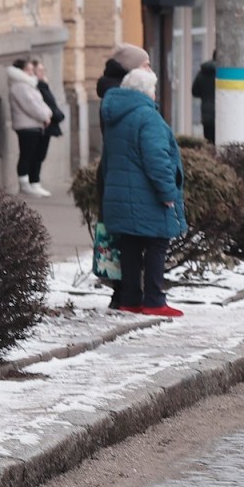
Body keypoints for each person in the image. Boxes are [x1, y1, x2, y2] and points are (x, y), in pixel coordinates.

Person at [99, 67, 187, 318]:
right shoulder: (147, 117)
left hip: (119, 193)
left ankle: (130, 298)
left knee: (130, 244)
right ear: (147, 91)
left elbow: (108, 159)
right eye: (154, 89)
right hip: (146, 195)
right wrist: (168, 192)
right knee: (157, 242)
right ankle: (154, 300)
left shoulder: (114, 115)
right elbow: (157, 159)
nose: (155, 93)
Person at [7, 58, 54, 196]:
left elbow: (40, 103)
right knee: (27, 155)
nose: (31, 73)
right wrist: (45, 116)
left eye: (32, 70)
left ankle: (33, 183)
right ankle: (24, 183)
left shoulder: (28, 85)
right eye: (28, 70)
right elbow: (31, 105)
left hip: (34, 125)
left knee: (34, 155)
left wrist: (47, 113)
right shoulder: (20, 86)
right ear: (20, 71)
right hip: (26, 126)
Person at [33, 58, 66, 168]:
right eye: (39, 70)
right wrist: (58, 116)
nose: (42, 73)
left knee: (40, 156)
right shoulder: (38, 87)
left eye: (43, 70)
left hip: (48, 124)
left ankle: (35, 181)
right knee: (36, 156)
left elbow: (52, 104)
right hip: (42, 125)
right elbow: (47, 105)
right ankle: (33, 181)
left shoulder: (43, 85)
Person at [191, 59, 216, 144]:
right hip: (222, 115)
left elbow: (195, 91)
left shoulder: (202, 73)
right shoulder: (224, 73)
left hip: (207, 115)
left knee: (209, 143)